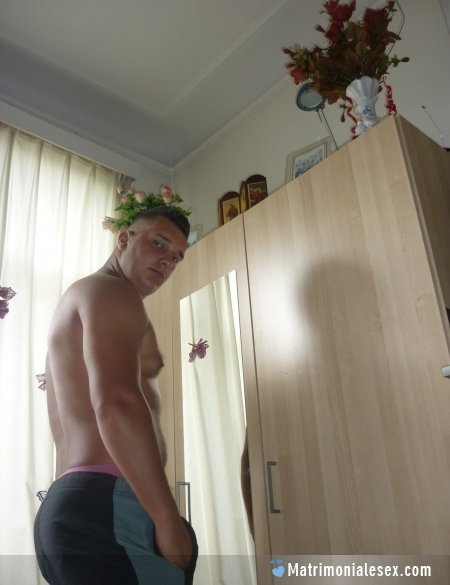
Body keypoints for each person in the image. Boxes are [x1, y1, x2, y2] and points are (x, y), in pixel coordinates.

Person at [34, 204, 198, 585]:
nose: (167, 261)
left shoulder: (80, 299)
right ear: (125, 239)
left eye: (176, 257)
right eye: (159, 244)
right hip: (106, 507)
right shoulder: (114, 292)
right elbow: (116, 404)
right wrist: (166, 520)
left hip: (72, 505)